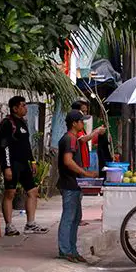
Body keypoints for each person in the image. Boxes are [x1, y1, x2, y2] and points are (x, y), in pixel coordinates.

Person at [0, 96, 48, 236]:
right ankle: (9, 226)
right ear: (15, 108)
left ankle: (30, 224)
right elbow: (4, 146)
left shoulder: (23, 123)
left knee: (32, 191)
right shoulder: (7, 123)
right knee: (10, 193)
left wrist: (33, 161)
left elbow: (26, 145)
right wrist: (7, 167)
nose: (25, 108)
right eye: (23, 105)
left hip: (24, 164)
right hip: (12, 164)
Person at [57, 110, 98, 263]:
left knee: (75, 217)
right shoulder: (69, 139)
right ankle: (65, 250)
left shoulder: (74, 138)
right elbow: (68, 161)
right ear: (74, 123)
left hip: (75, 183)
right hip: (69, 183)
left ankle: (72, 249)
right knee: (69, 217)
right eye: (80, 121)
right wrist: (85, 173)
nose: (82, 123)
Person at [71, 99, 106, 170]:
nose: (85, 113)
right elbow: (83, 139)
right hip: (78, 163)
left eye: (86, 111)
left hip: (84, 162)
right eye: (83, 111)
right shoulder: (75, 125)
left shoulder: (81, 124)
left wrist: (97, 131)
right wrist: (96, 131)